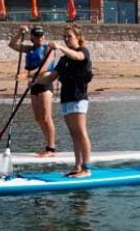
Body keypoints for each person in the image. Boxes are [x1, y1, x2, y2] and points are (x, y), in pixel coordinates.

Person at [34, 24, 93, 177]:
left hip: (78, 98)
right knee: (73, 135)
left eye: (69, 37)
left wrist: (60, 47)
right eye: (64, 37)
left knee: (81, 133)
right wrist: (38, 76)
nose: (66, 39)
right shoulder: (63, 60)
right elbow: (50, 77)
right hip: (66, 99)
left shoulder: (82, 52)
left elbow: (78, 57)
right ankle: (77, 166)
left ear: (78, 38)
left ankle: (86, 169)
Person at [9, 25, 57, 156]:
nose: (40, 37)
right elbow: (12, 45)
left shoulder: (48, 49)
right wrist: (19, 33)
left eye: (42, 35)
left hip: (45, 84)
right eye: (37, 35)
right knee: (38, 118)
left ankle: (51, 149)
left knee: (46, 117)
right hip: (34, 86)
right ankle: (48, 146)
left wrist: (26, 74)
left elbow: (44, 68)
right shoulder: (29, 49)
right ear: (32, 38)